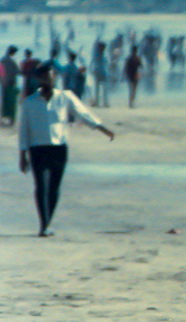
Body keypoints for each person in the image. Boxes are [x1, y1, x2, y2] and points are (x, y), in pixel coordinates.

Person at [18, 63, 115, 237]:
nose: (49, 79)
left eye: (51, 76)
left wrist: (102, 128)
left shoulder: (65, 97)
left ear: (55, 77)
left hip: (59, 149)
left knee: (54, 189)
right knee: (40, 187)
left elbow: (83, 114)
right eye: (45, 76)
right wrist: (22, 155)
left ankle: (47, 223)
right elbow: (24, 130)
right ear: (39, 79)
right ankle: (43, 225)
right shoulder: (29, 102)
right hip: (37, 149)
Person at [0, 46, 20, 127]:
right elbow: (17, 71)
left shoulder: (1, 60)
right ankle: (11, 120)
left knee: (3, 102)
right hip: (11, 84)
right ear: (13, 53)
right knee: (12, 103)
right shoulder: (12, 61)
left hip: (3, 84)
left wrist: (1, 81)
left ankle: (1, 119)